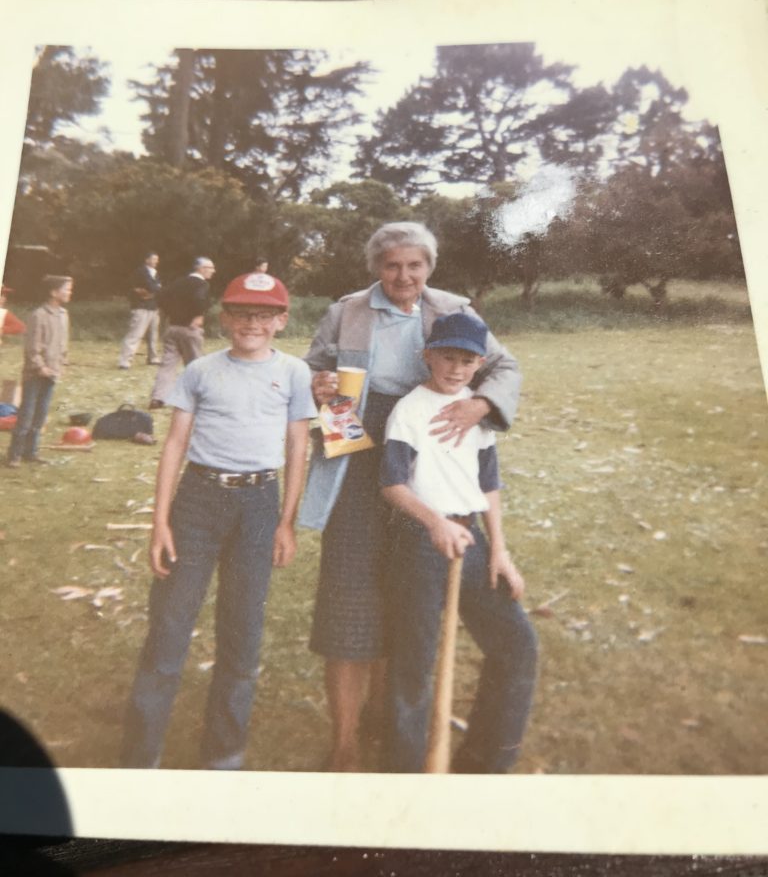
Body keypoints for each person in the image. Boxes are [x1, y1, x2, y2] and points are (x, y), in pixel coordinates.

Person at [299, 221, 521, 771]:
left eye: (415, 265)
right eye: (393, 265)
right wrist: (318, 384)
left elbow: (503, 366)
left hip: (429, 438)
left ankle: (388, 719)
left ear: (430, 267)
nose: (404, 276)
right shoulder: (345, 310)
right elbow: (311, 370)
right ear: (377, 267)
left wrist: (480, 405)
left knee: (408, 594)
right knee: (350, 594)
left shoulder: (452, 308)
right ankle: (346, 742)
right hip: (356, 447)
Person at [121, 271, 316, 769]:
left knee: (243, 629)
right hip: (198, 501)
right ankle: (141, 756)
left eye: (264, 314)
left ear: (281, 321)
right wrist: (160, 521)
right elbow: (174, 444)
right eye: (242, 313)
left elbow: (297, 447)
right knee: (170, 624)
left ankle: (224, 754)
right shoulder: (201, 370)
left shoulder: (294, 373)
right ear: (223, 318)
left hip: (259, 505)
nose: (253, 322)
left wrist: (286, 521)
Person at [380, 312, 537, 773]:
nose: (455, 369)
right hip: (419, 541)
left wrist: (501, 551)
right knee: (416, 660)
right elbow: (392, 484)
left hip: (471, 538)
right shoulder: (409, 410)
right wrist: (434, 523)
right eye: (447, 357)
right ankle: (408, 773)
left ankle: (487, 762)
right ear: (427, 356)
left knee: (517, 645)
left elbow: (488, 483)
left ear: (480, 363)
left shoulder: (476, 409)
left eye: (467, 361)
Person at [7, 275, 73, 468]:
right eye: (66, 289)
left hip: (52, 373)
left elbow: (63, 344)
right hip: (35, 374)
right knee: (27, 414)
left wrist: (63, 364)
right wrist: (40, 366)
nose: (70, 292)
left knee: (41, 414)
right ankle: (15, 454)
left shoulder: (63, 315)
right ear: (53, 292)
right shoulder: (39, 315)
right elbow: (32, 347)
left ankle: (31, 452)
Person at [148, 256, 215, 409]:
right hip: (190, 329)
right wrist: (199, 315)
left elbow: (160, 295)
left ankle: (158, 397)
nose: (213, 271)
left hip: (172, 327)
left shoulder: (178, 282)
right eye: (211, 268)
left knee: (167, 365)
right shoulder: (202, 284)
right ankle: (201, 398)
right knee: (196, 364)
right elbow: (199, 299)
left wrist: (170, 313)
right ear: (201, 269)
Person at [118, 252, 162, 369]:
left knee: (153, 335)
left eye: (157, 259)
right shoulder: (141, 272)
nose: (156, 261)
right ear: (146, 260)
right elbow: (152, 287)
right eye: (153, 259)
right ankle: (125, 361)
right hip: (141, 307)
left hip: (153, 307)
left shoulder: (155, 273)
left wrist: (154, 290)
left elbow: (158, 289)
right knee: (135, 334)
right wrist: (154, 289)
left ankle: (153, 358)